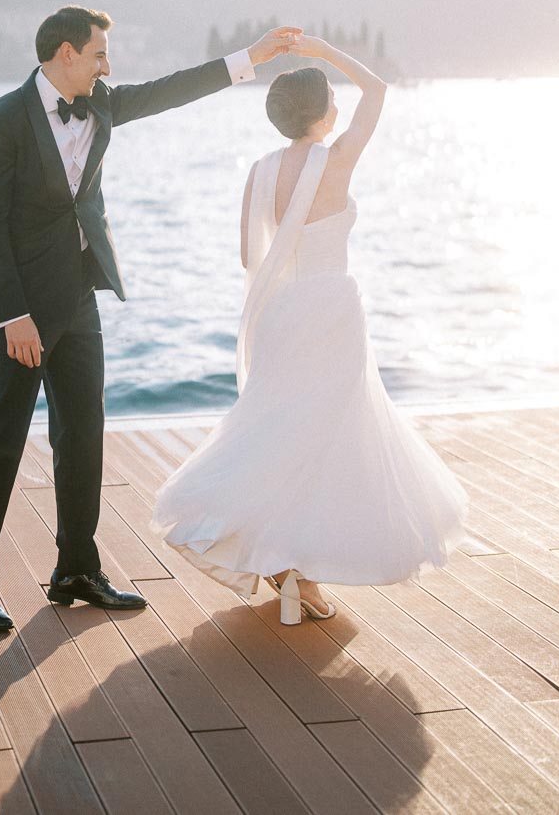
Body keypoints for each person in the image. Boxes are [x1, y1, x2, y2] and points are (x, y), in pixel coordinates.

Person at [0, 4, 301, 631]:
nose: (109, 65)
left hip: (80, 296)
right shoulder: (0, 122)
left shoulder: (101, 103)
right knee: (2, 438)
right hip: (21, 311)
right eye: (100, 53)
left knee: (82, 434)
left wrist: (253, 57)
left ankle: (77, 568)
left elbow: (170, 91)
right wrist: (13, 316)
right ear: (64, 54)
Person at [151, 36, 468, 625]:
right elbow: (376, 88)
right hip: (331, 311)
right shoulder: (337, 158)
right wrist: (324, 50)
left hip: (282, 313)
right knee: (330, 444)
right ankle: (302, 571)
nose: (339, 108)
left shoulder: (260, 169)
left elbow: (249, 254)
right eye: (331, 99)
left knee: (279, 435)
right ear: (321, 111)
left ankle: (286, 567)